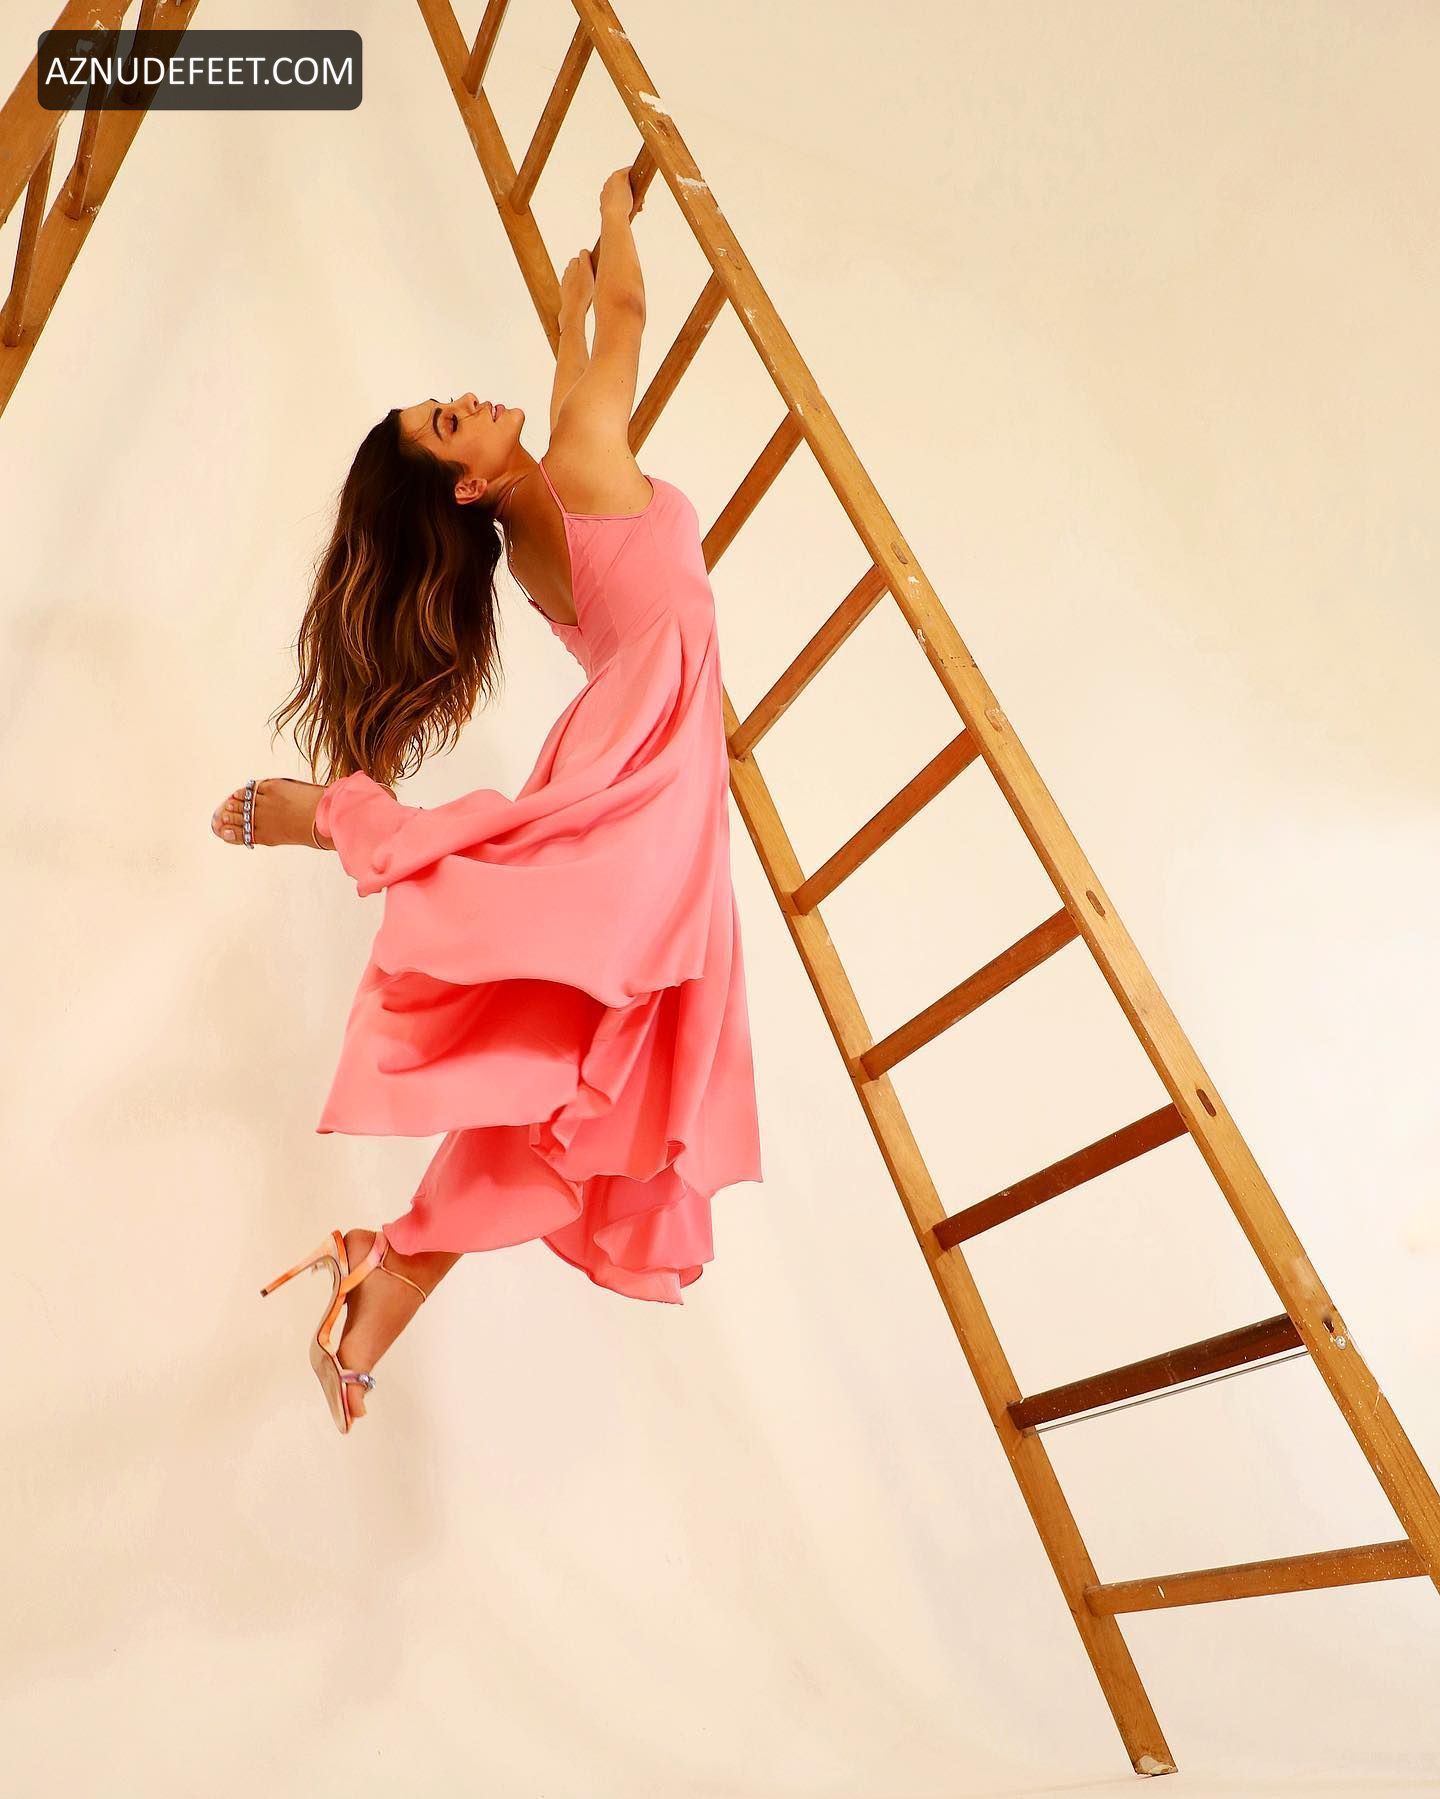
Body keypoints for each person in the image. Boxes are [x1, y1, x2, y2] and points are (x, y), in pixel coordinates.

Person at [212, 167, 763, 1433]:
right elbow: (627, 324)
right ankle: (332, 812)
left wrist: (571, 304)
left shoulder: (539, 498)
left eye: (448, 404)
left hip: (648, 762)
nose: (467, 402)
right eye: (450, 423)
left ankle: (384, 1276)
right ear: (466, 483)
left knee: (582, 1063)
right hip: (648, 770)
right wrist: (623, 208)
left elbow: (586, 349)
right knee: (595, 1046)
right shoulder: (577, 461)